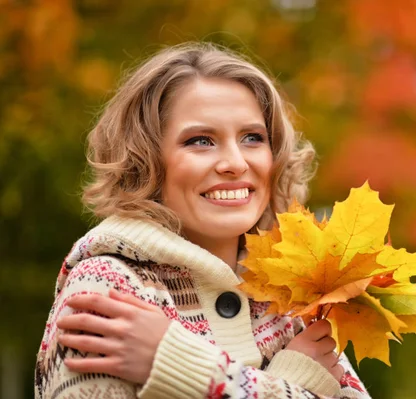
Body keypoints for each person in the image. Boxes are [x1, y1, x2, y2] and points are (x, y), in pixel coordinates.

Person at [34, 42, 370, 398]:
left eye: (252, 138)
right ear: (145, 159)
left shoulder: (289, 301)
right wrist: (292, 386)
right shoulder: (109, 287)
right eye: (201, 141)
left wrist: (189, 370)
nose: (236, 163)